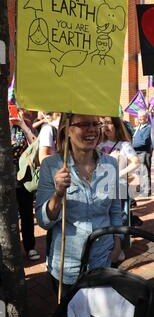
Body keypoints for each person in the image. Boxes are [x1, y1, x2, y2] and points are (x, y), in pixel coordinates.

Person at [35, 113, 122, 297]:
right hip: (66, 266)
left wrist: (117, 243)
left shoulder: (111, 164)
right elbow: (44, 222)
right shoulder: (52, 166)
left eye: (95, 124)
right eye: (83, 124)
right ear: (67, 130)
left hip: (103, 261)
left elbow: (115, 209)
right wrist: (58, 194)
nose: (91, 129)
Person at [98, 116, 140, 230]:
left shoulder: (124, 145)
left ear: (116, 126)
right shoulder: (99, 144)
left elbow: (136, 162)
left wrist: (118, 175)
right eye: (103, 123)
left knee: (120, 216)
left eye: (108, 123)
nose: (105, 126)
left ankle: (121, 242)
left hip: (119, 187)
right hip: (102, 187)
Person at [10, 107, 40, 261]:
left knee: (27, 213)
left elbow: (36, 145)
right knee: (8, 216)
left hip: (23, 177)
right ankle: (11, 249)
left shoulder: (22, 125)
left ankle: (30, 247)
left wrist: (22, 125)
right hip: (5, 179)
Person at [132, 109, 152, 196]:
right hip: (137, 152)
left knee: (145, 172)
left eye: (141, 118)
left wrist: (131, 146)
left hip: (144, 152)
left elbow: (144, 141)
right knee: (140, 172)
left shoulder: (148, 127)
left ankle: (146, 191)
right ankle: (142, 189)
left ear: (146, 118)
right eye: (139, 117)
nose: (139, 119)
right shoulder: (139, 127)